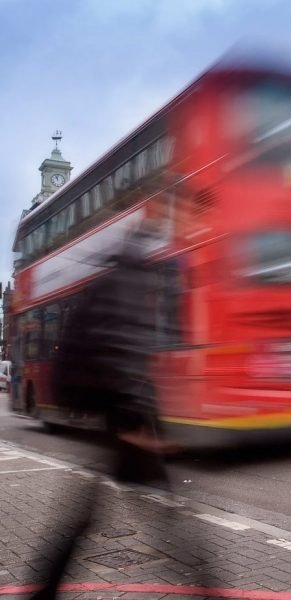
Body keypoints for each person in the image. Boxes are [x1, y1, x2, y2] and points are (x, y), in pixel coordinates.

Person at [31, 227, 179, 600]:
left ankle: (46, 589)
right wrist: (133, 422)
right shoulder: (132, 282)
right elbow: (120, 348)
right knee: (164, 514)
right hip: (119, 415)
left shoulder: (114, 279)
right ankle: (208, 584)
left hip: (109, 409)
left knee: (88, 512)